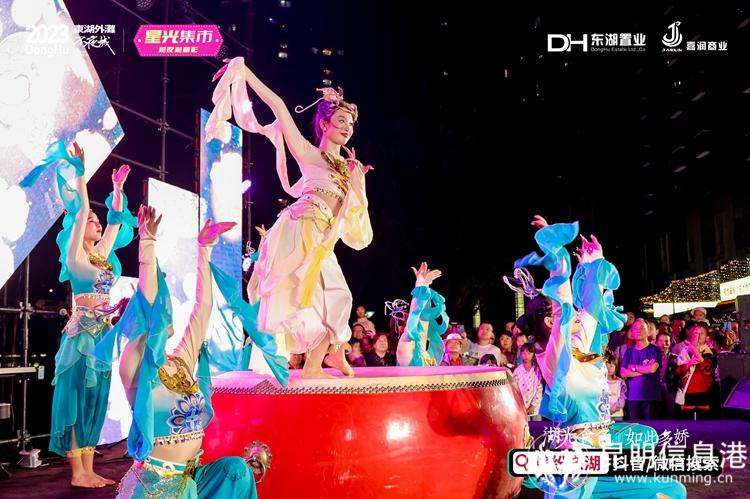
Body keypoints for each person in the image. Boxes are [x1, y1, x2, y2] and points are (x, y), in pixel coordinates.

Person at [208, 57, 373, 378]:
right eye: (341, 120)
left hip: (323, 237)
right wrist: (243, 70)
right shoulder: (308, 153)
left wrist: (358, 181)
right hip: (302, 229)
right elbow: (279, 105)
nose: (347, 127)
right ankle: (316, 364)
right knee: (327, 296)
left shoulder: (347, 168)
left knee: (334, 297)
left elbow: (351, 214)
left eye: (351, 124)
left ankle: (332, 356)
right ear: (324, 124)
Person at [507, 215, 685, 498]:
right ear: (553, 323)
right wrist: (555, 250)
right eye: (571, 314)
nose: (579, 315)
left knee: (659, 462)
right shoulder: (555, 355)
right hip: (578, 450)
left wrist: (593, 264)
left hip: (605, 439)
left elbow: (591, 307)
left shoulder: (581, 344)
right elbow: (563, 305)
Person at [102, 207, 269, 498]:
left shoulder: (180, 362)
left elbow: (202, 312)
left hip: (189, 479)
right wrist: (147, 244)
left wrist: (204, 251)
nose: (165, 310)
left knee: (236, 471)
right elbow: (148, 305)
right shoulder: (135, 366)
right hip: (155, 488)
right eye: (160, 308)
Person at [32, 141, 136, 488]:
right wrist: (80, 173)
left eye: (96, 220)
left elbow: (115, 225)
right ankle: (78, 473)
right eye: (91, 221)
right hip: (81, 338)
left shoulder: (101, 258)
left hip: (102, 336)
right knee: (77, 400)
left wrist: (118, 190)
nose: (95, 221)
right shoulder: (76, 257)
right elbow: (82, 211)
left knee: (95, 401)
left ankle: (89, 469)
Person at [395, 262, 448, 367]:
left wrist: (425, 285)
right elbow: (415, 315)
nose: (423, 327)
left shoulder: (429, 356)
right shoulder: (406, 356)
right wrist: (420, 284)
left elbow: (424, 315)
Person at [513, 343, 543, 420]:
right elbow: (515, 390)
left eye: (529, 353)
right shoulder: (517, 371)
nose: (526, 356)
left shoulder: (537, 370)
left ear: (533, 354)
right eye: (523, 353)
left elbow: (539, 389)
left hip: (535, 407)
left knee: (537, 425)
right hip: (522, 407)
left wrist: (533, 405)